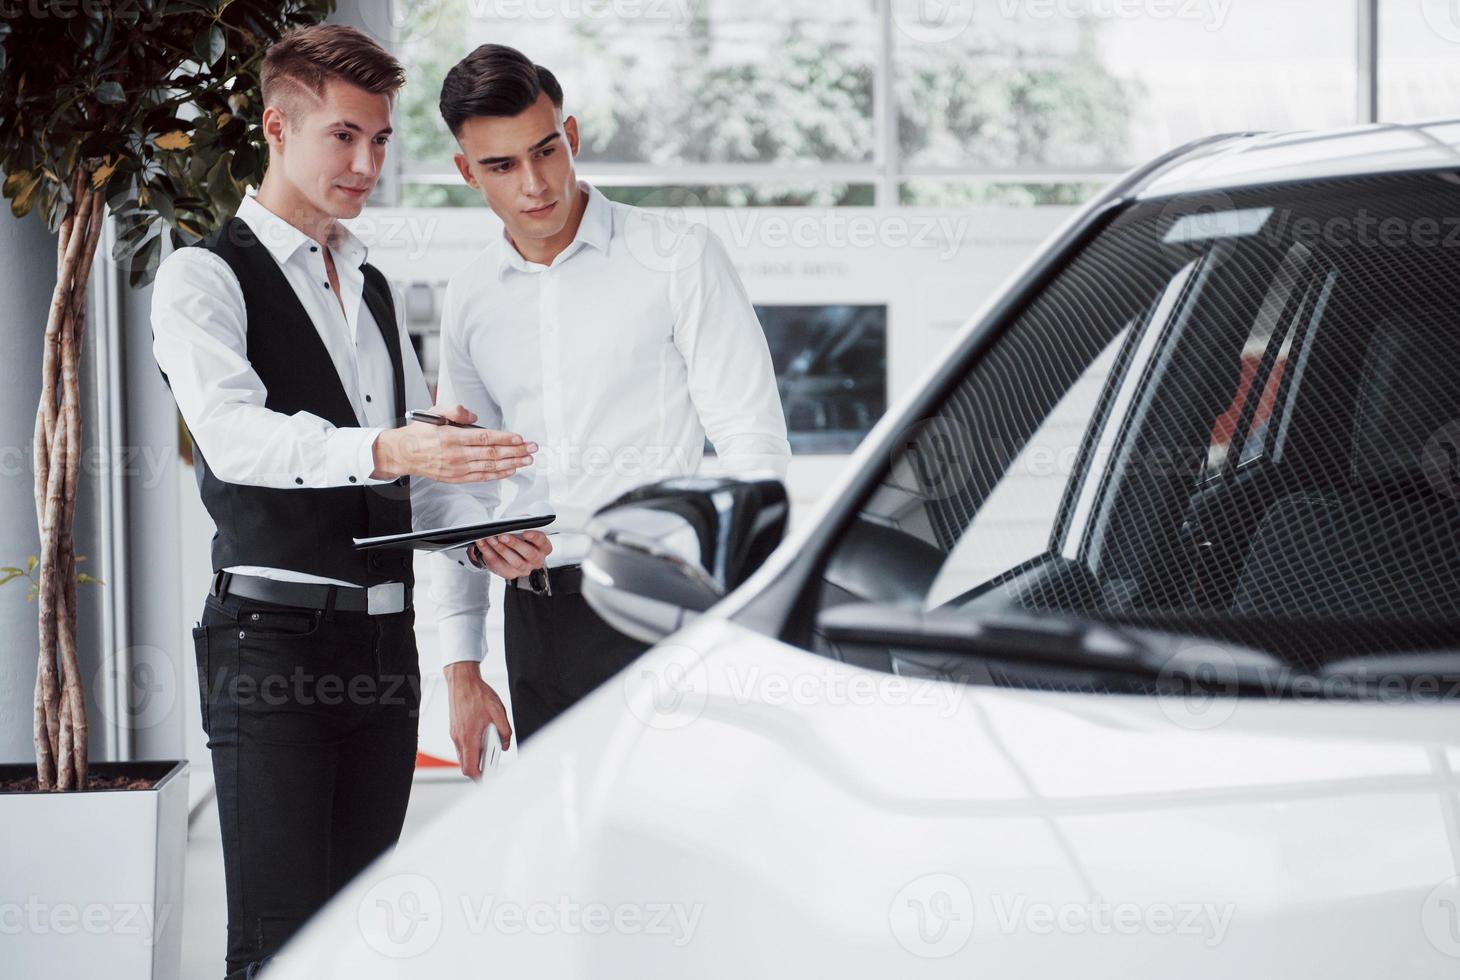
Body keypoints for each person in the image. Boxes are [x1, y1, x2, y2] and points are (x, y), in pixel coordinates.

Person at [150, 26, 535, 979]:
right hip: (272, 648)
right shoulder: (204, 276)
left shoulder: (367, 284)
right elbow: (237, 439)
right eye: (343, 137)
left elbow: (404, 472)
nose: (365, 164)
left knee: (360, 942)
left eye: (379, 141)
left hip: (381, 650)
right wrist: (389, 444)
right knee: (279, 946)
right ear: (278, 128)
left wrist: (475, 535)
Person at [431, 43, 791, 764]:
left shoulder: (679, 255)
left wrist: (758, 620)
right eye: (502, 166)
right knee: (564, 856)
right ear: (468, 173)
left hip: (661, 604)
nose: (535, 184)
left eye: (545, 150)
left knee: (678, 841)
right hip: (534, 623)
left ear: (572, 136)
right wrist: (462, 668)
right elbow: (456, 484)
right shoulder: (470, 297)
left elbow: (754, 447)